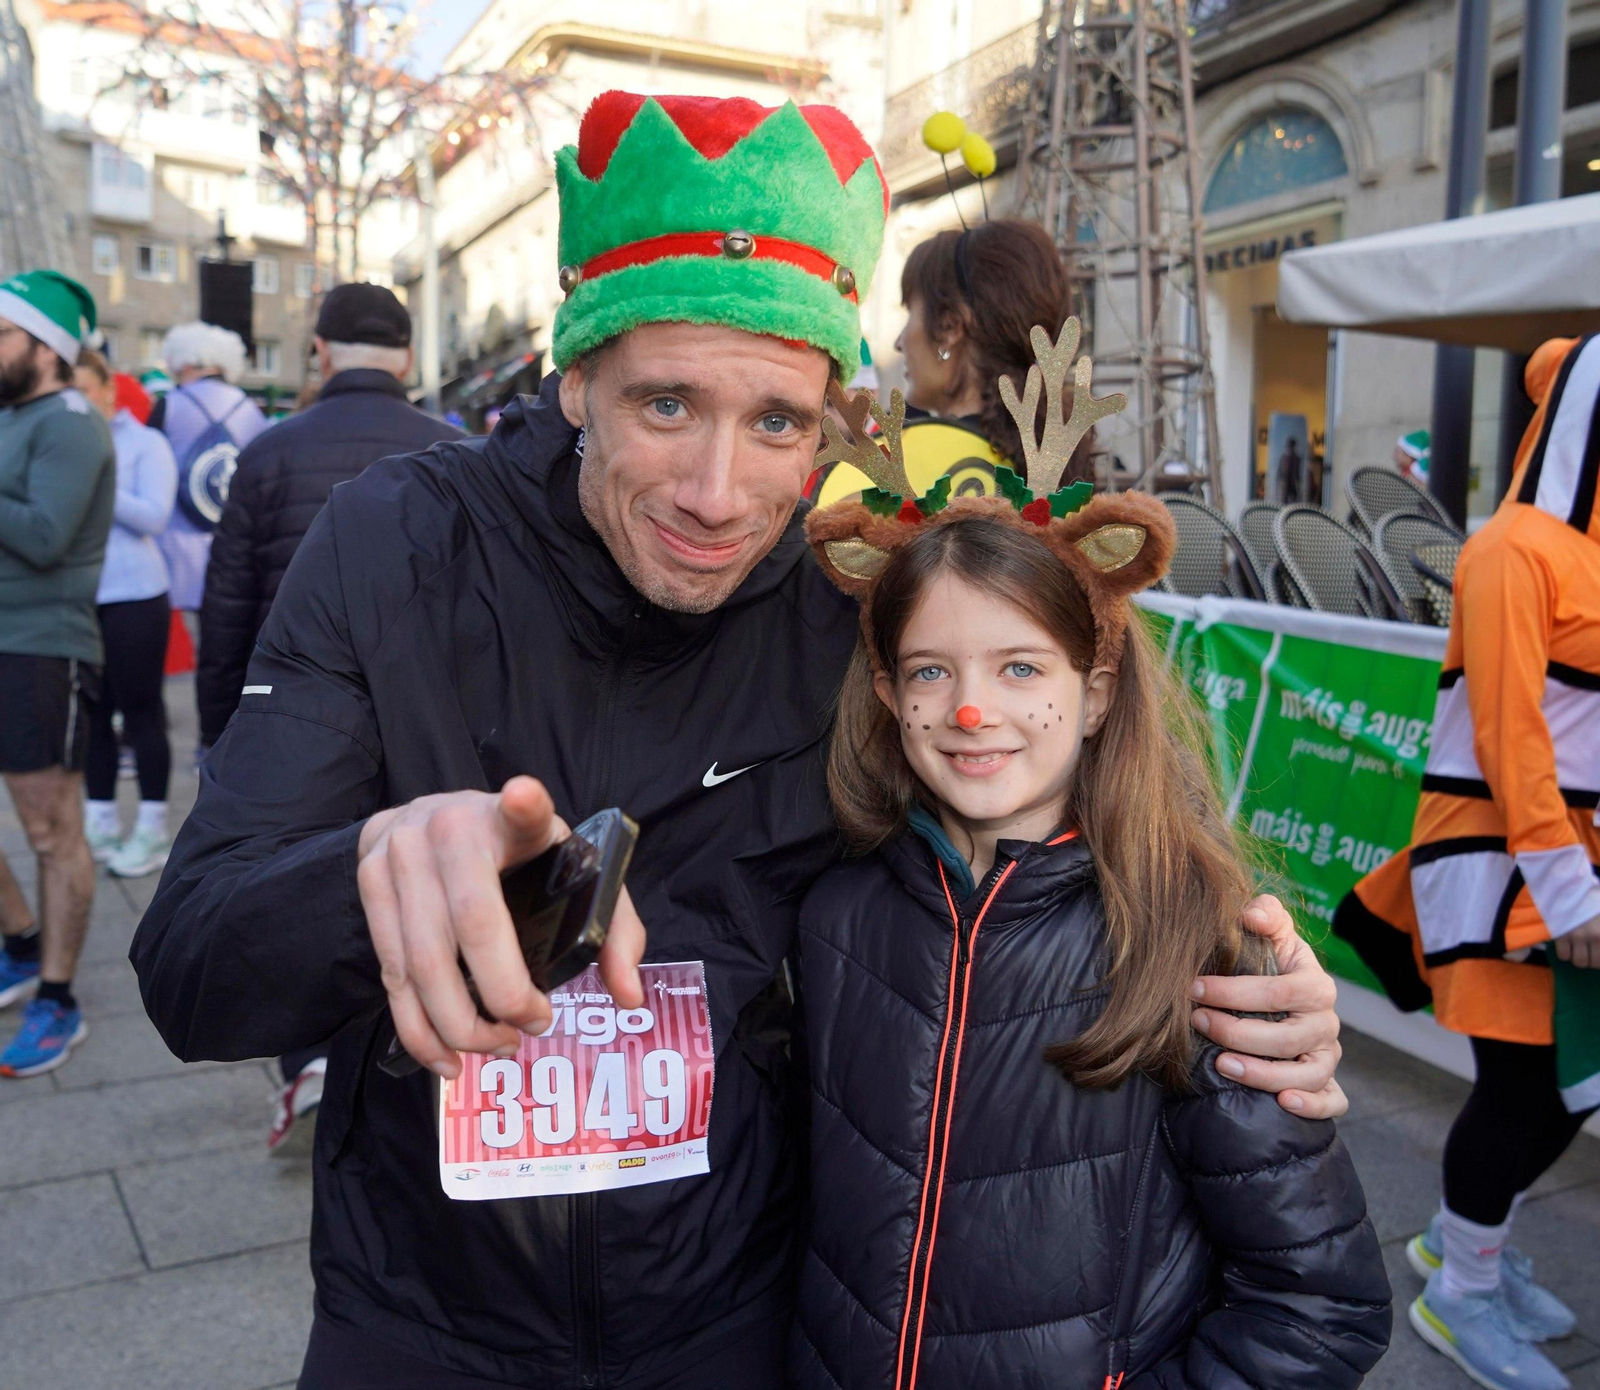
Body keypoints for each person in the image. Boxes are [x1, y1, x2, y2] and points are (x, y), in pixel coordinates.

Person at [133, 92, 1346, 1388]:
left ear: (830, 412)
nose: (719, 497)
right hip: (423, 1320)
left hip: (738, 1322)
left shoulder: (850, 600)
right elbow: (192, 970)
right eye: (665, 404)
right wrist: (369, 869)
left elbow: (1066, 813)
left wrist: (1242, 981)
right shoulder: (396, 545)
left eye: (776, 422)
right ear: (578, 377)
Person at [793, 428, 1390, 1382]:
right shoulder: (834, 919)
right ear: (886, 691)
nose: (970, 710)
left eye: (1021, 668)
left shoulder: (1187, 946)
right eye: (931, 671)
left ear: (1097, 693)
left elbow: (1320, 1305)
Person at [1336, 335, 1600, 1390]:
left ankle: (1462, 1247)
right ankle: (1458, 1292)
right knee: (1526, 1092)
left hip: (1556, 873)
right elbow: (1507, 731)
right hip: (1505, 870)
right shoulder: (1513, 549)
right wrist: (1566, 885)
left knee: (1559, 1091)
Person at [196, 281, 464, 1155]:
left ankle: (312, 1057)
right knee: (405, 885)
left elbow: (228, 604)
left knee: (314, 886)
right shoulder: (455, 450)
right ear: (409, 359)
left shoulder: (270, 453)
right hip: (424, 721)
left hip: (299, 724)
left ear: (318, 353)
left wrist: (219, 733)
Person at [0, 270, 115, 1077]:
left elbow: (44, 537)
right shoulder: (16, 417)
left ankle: (58, 997)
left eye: (2, 334)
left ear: (45, 347)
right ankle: (19, 943)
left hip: (42, 648)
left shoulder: (72, 422)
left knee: (50, 832)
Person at [72, 348, 179, 880]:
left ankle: (153, 827)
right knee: (92, 713)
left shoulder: (145, 442)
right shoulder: (63, 442)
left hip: (136, 594)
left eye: (86, 390)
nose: (78, 401)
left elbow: (155, 517)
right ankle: (100, 821)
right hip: (82, 594)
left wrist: (97, 481)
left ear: (109, 391)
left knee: (140, 713)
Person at [895, 218, 1076, 472]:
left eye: (910, 311)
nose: (898, 343)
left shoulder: (912, 470)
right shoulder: (1055, 463)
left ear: (950, 328)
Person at [151, 323, 267, 619]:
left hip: (175, 552)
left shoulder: (169, 405)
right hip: (235, 551)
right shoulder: (251, 410)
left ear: (186, 362)